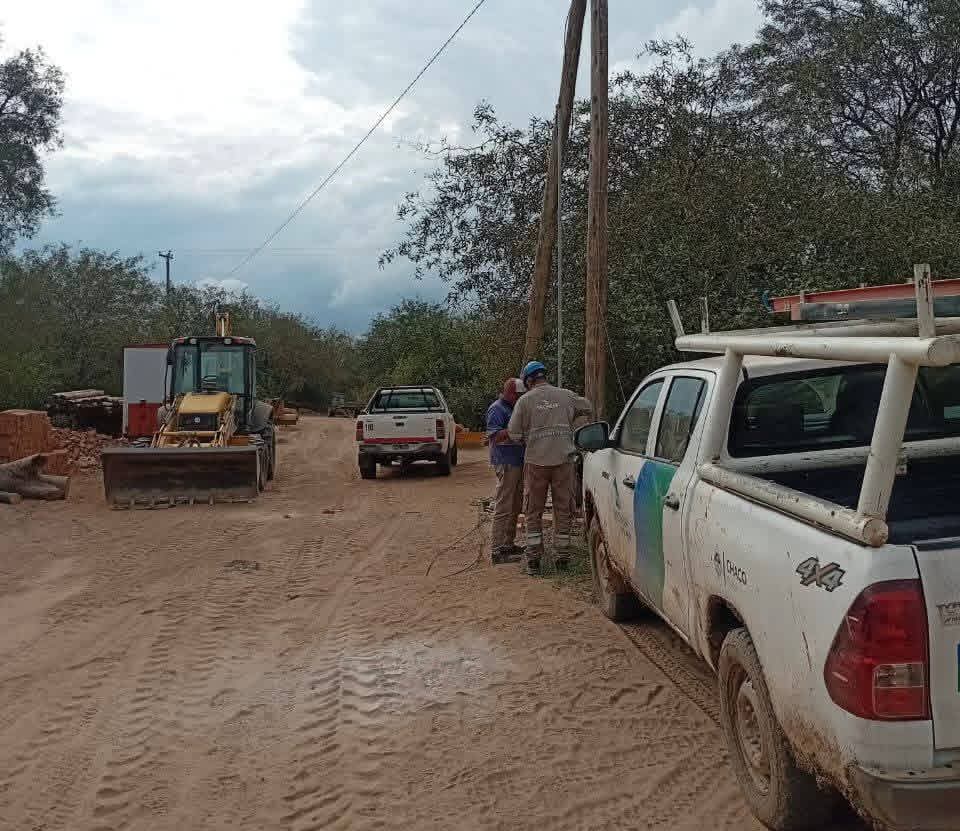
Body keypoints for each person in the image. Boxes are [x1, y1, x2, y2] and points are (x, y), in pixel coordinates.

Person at [503, 360, 592, 574]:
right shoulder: (566, 395)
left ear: (529, 380)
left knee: (533, 511)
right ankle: (562, 558)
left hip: (536, 462)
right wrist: (569, 418)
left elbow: (513, 434)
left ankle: (534, 560)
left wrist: (530, 434)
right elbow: (587, 407)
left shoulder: (524, 401)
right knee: (564, 509)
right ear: (544, 376)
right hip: (563, 461)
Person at [486, 378, 526, 564]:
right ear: (510, 393)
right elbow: (495, 437)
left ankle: (508, 544)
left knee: (515, 504)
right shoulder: (497, 409)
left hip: (517, 462)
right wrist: (514, 430)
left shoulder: (513, 408)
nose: (520, 399)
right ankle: (496, 549)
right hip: (506, 462)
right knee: (504, 505)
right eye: (518, 396)